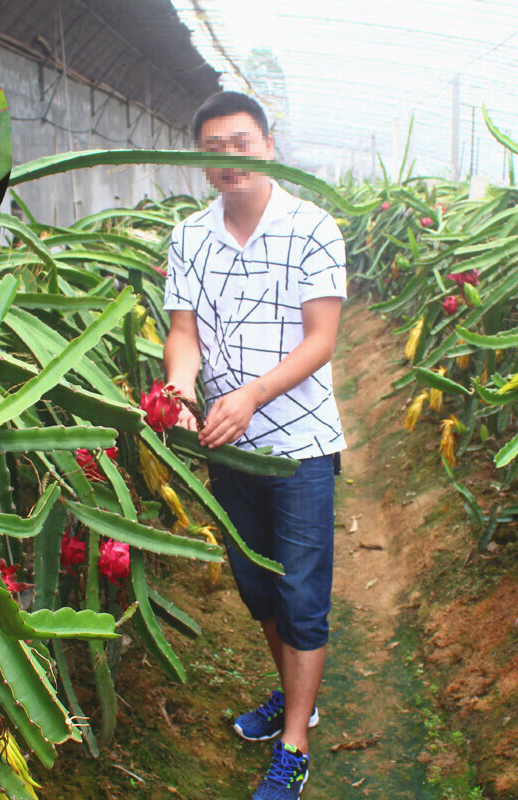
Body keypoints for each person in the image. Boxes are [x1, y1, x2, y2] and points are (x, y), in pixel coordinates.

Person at [162, 90, 346, 799]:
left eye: (241, 143)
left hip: (297, 444)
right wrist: (181, 389)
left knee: (301, 594)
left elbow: (322, 340)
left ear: (269, 145)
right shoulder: (189, 237)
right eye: (213, 149)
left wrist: (249, 396)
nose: (229, 159)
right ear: (200, 160)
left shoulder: (312, 228)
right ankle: (295, 695)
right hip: (226, 447)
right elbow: (185, 332)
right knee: (259, 589)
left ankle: (294, 744)